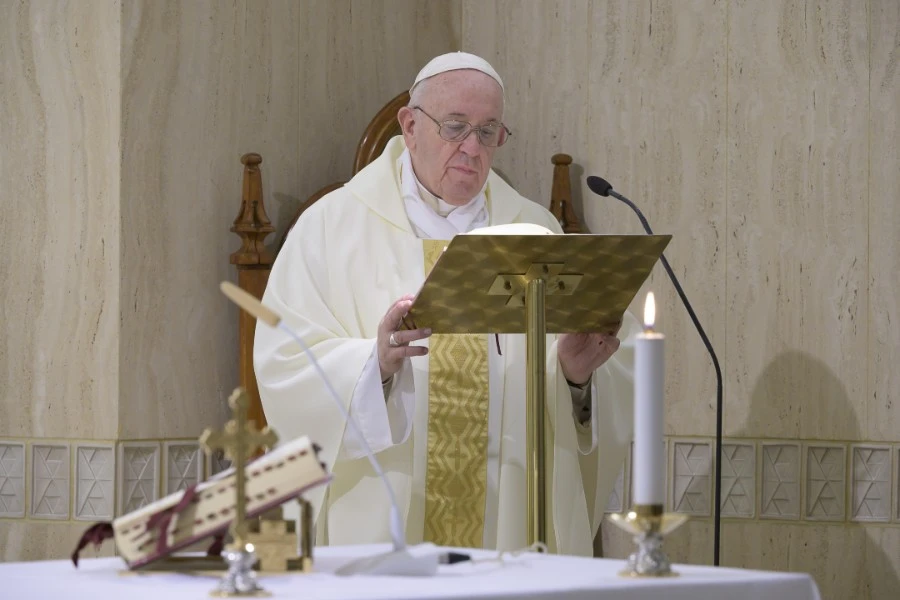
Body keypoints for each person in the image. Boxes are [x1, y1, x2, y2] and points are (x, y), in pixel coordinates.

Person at [254, 52, 640, 556]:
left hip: (513, 534)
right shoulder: (331, 228)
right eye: (455, 126)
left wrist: (575, 377)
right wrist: (378, 366)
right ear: (410, 126)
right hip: (382, 533)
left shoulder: (535, 232)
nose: (471, 148)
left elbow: (594, 383)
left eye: (488, 132)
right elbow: (285, 369)